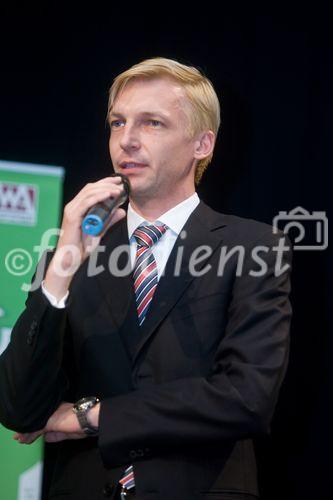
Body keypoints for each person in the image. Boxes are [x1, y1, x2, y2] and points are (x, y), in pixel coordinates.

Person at [0, 57, 292, 500]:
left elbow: (246, 398)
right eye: (118, 123)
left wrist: (92, 416)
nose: (127, 140)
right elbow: (19, 409)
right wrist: (61, 268)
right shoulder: (72, 250)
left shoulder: (253, 247)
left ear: (202, 144)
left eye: (152, 123)